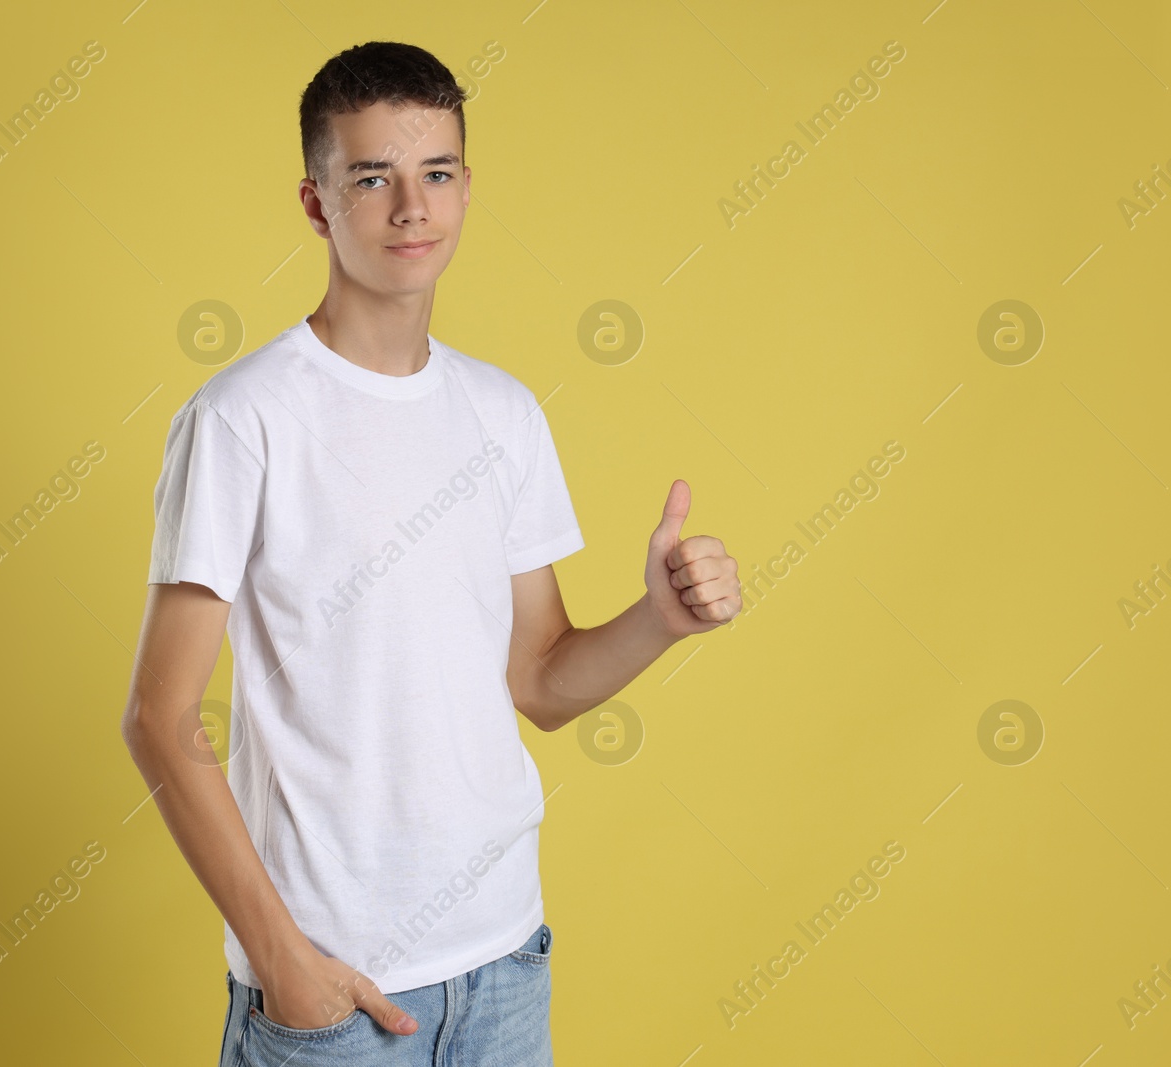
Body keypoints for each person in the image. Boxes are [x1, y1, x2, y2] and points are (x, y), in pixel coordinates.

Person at [119, 40, 742, 1066]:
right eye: (372, 177)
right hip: (332, 988)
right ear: (317, 203)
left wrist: (659, 622)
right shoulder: (242, 418)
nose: (412, 207)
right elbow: (159, 716)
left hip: (504, 964)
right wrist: (286, 962)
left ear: (463, 188)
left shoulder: (501, 412)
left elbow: (538, 679)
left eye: (436, 173)